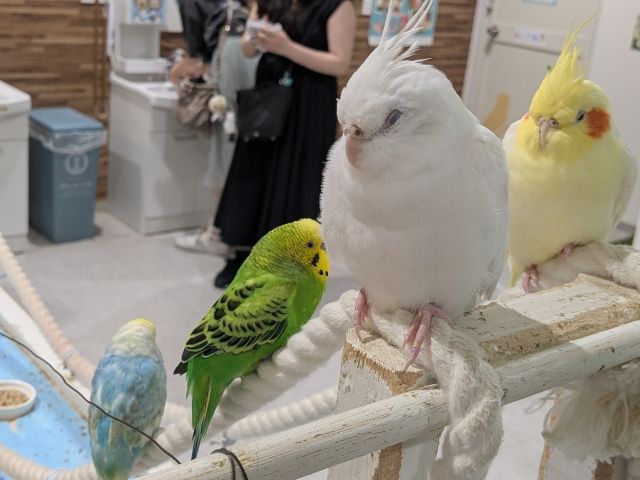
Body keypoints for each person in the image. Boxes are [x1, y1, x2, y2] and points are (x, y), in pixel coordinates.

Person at [211, 0, 356, 288]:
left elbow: (339, 62)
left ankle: (282, 259)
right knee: (254, 169)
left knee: (295, 175)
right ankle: (242, 253)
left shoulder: (337, 6)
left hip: (310, 101)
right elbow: (247, 49)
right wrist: (256, 39)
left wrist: (286, 47)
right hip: (268, 94)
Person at [172, 0, 260, 256]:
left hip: (230, 65)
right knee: (248, 151)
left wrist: (175, 74)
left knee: (224, 151)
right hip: (258, 66)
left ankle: (218, 232)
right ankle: (240, 231)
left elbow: (197, 57)